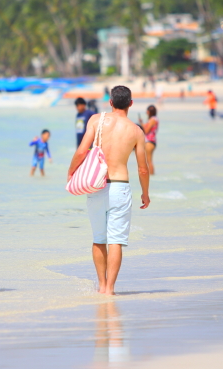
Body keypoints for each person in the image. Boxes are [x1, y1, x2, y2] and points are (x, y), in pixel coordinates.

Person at [68, 85, 150, 295]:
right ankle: (110, 289)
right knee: (116, 241)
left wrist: (71, 173)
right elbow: (142, 168)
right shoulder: (136, 131)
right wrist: (145, 193)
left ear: (110, 102)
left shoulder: (96, 120)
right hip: (121, 187)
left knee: (98, 238)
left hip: (97, 186)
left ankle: (101, 284)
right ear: (131, 104)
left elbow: (81, 151)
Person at [138, 104, 159, 176]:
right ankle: (152, 176)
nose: (146, 112)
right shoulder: (154, 119)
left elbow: (146, 131)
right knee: (149, 160)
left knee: (149, 161)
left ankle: (151, 176)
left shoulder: (152, 120)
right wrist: (142, 123)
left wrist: (141, 124)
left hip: (150, 141)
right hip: (152, 141)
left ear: (149, 112)